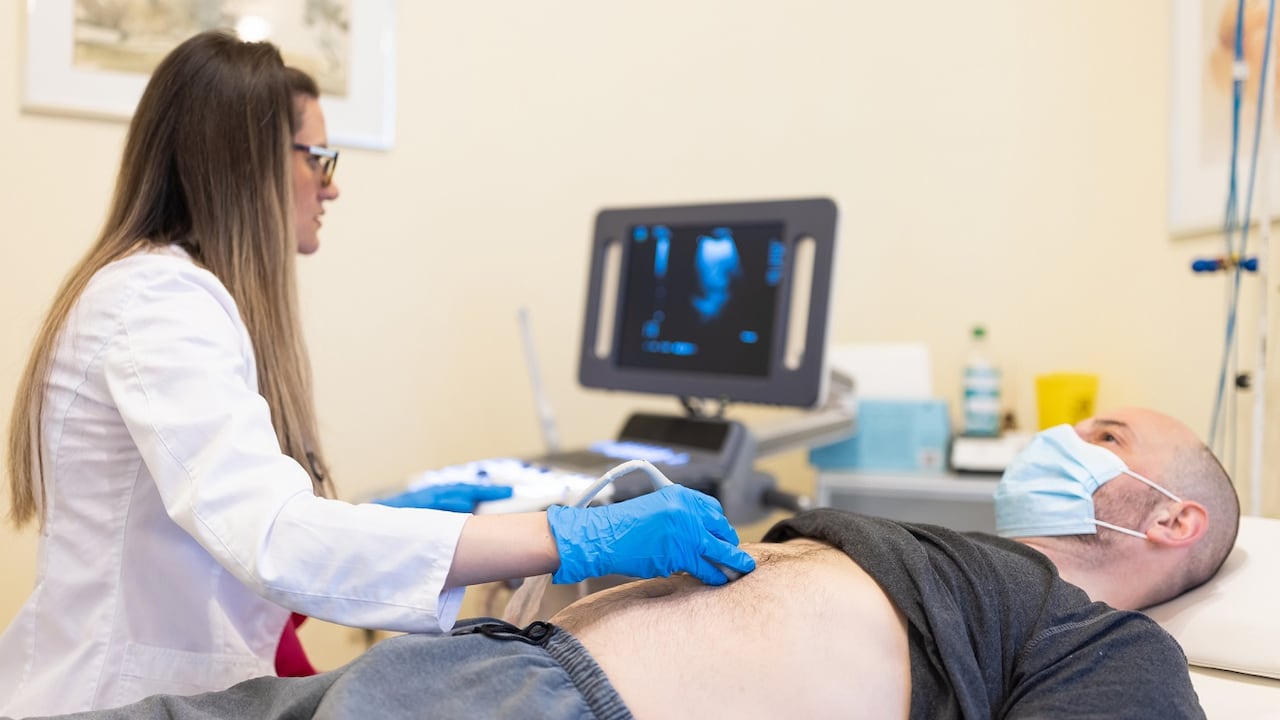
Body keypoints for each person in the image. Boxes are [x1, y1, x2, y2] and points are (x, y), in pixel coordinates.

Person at [0, 30, 755, 716]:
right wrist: (570, 538)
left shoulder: (173, 294)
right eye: (319, 159)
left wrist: (395, 514)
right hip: (116, 700)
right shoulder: (156, 302)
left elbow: (239, 527)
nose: (332, 187)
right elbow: (274, 541)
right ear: (248, 163)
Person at [8, 406, 1239, 719]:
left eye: (1105, 437)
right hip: (482, 669)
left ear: (1168, 523)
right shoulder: (945, 554)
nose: (1064, 443)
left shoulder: (1100, 642)